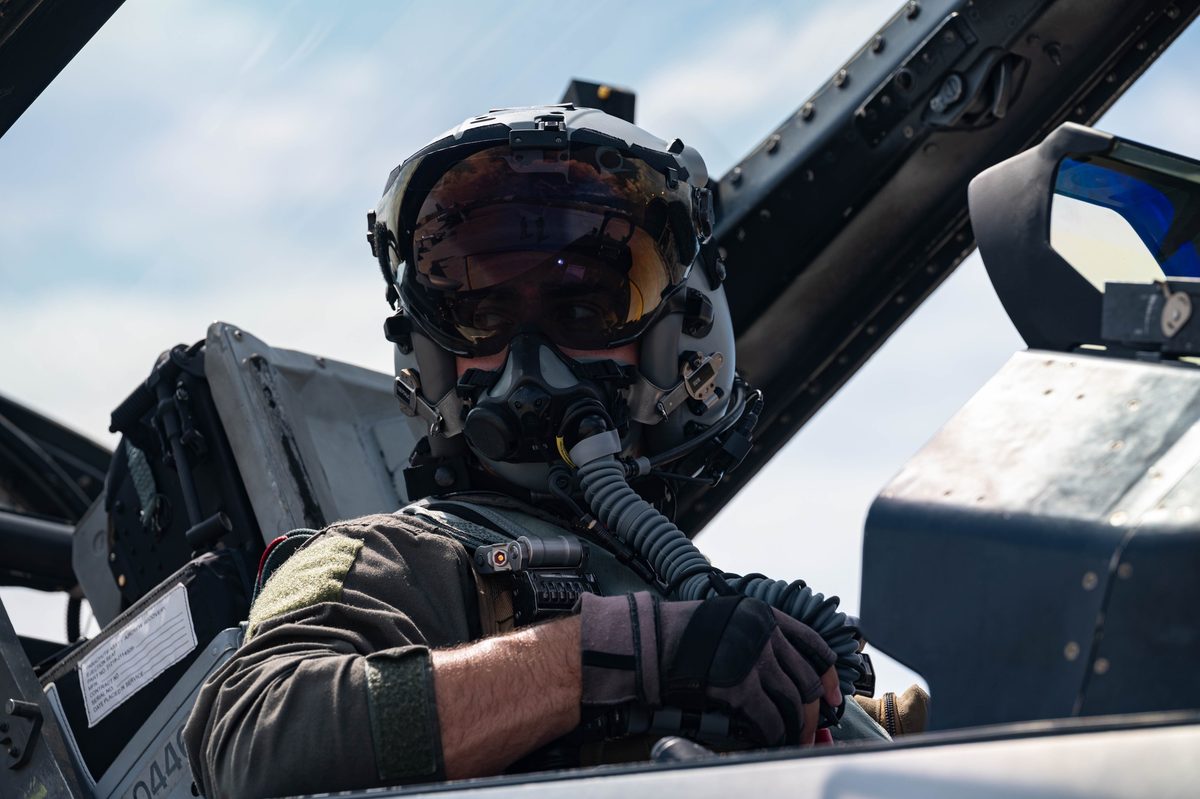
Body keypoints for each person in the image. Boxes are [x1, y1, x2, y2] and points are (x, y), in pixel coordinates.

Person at [183, 105, 884, 798]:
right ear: (428, 360)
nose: (528, 360)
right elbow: (254, 739)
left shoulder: (683, 593)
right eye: (480, 313)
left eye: (583, 308)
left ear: (681, 339)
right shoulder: (390, 555)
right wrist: (612, 656)